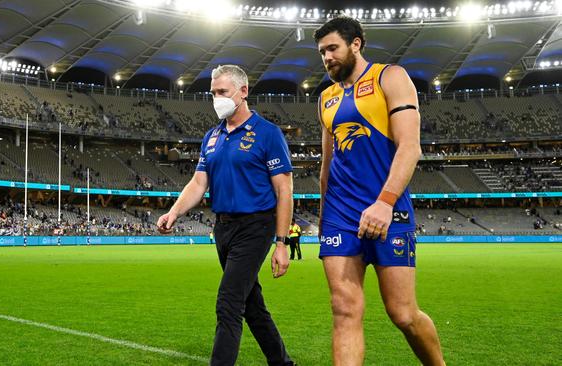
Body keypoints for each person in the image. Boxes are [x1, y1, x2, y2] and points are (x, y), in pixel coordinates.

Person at [313, 17, 445, 365]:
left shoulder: (391, 77)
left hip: (388, 209)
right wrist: (325, 218)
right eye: (321, 52)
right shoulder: (325, 98)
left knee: (403, 313)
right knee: (344, 309)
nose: (326, 58)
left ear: (356, 44)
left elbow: (410, 147)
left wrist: (384, 203)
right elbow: (327, 167)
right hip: (341, 214)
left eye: (332, 48)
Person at [156, 64, 295, 366]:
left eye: (222, 92)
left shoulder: (268, 134)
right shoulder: (212, 136)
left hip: (256, 226)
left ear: (243, 92)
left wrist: (282, 243)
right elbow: (198, 182)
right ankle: (282, 362)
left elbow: (285, 190)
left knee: (229, 303)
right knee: (251, 304)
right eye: (213, 93)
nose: (216, 98)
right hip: (223, 229)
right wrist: (174, 212)